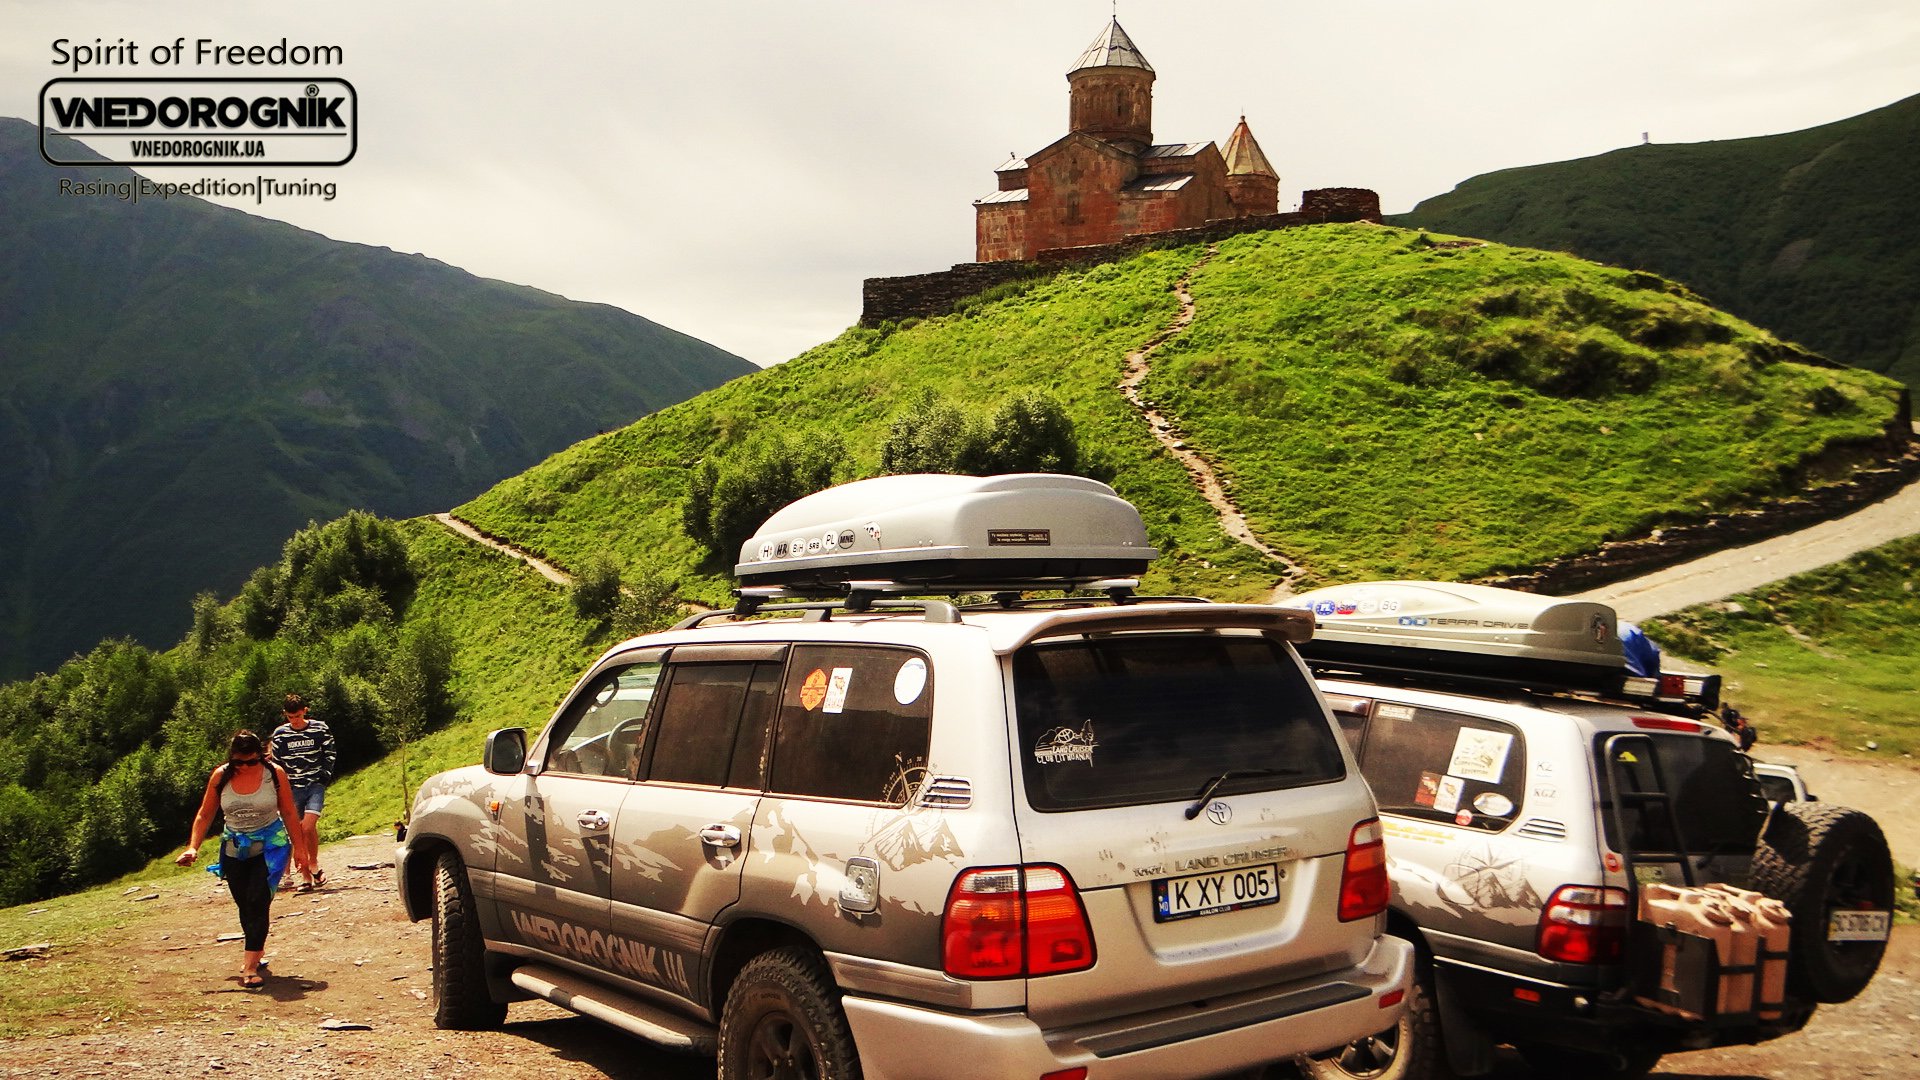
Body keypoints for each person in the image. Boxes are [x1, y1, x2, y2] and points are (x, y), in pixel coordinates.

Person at [177, 730, 314, 988]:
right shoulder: (221, 776)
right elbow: (205, 814)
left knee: (258, 901)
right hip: (234, 848)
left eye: (251, 761)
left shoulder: (274, 773)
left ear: (260, 756)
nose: (246, 766)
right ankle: (256, 949)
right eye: (240, 762)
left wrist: (300, 850)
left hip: (270, 848)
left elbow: (287, 810)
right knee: (245, 905)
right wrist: (192, 847)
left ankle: (249, 966)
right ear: (232, 758)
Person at [270, 692, 336, 891]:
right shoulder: (280, 734)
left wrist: (325, 775)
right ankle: (308, 876)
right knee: (296, 831)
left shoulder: (320, 728)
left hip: (315, 785)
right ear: (285, 715)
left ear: (304, 712)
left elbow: (330, 753)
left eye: (298, 716)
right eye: (291, 718)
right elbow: (276, 761)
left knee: (307, 827)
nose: (295, 721)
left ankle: (313, 863)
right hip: (291, 788)